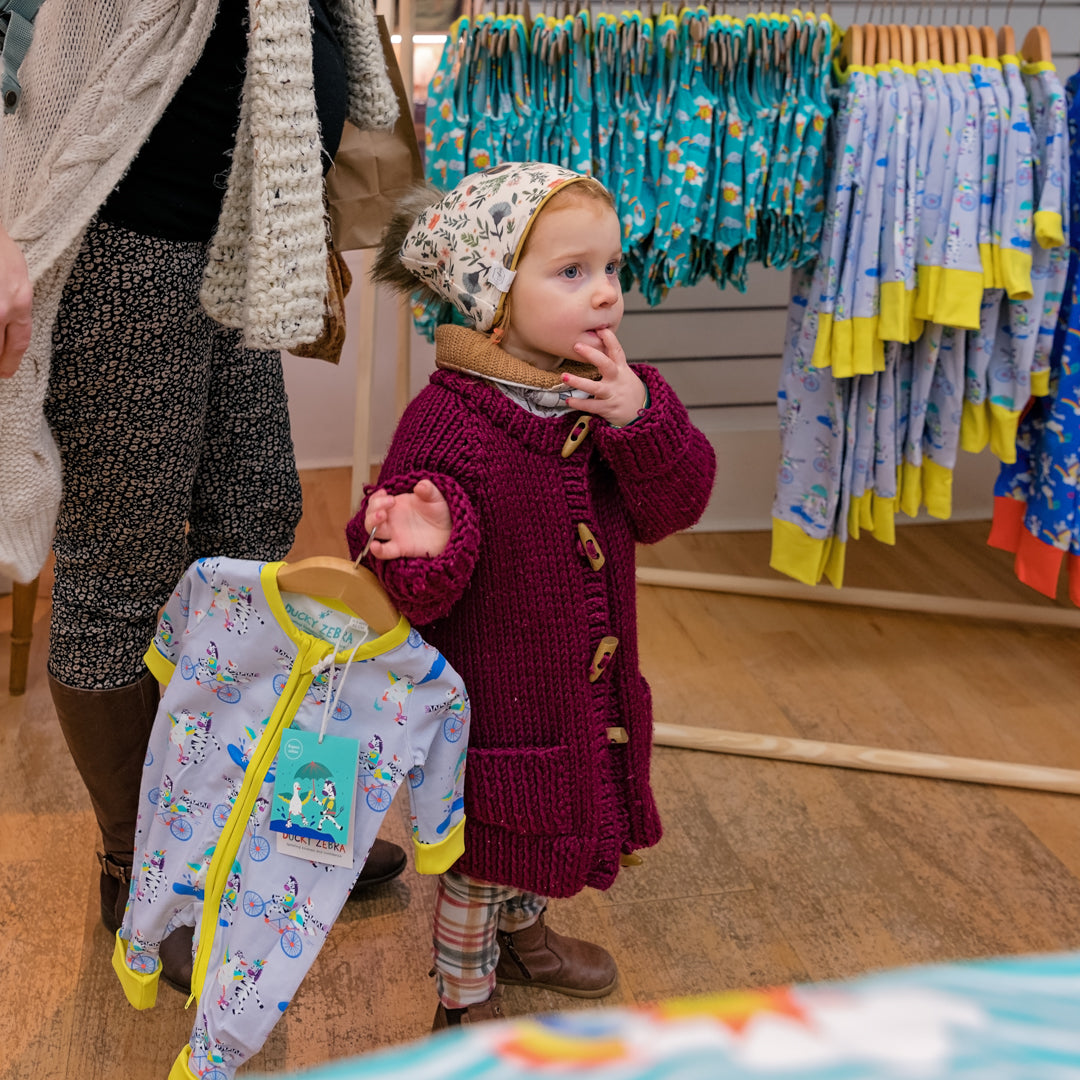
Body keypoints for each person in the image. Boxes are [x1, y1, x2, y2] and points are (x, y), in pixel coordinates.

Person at [0, 0, 408, 996]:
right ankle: (144, 875)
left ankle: (245, 830)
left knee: (254, 522)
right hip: (120, 245)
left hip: (232, 247)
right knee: (118, 574)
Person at [346, 161, 718, 1026]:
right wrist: (424, 538)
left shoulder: (598, 402)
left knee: (550, 828)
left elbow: (675, 504)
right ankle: (463, 1003)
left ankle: (528, 936)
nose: (606, 294)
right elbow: (400, 579)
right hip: (495, 711)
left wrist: (643, 418)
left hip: (576, 694)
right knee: (488, 859)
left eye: (612, 269)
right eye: (572, 272)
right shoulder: (449, 421)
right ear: (493, 296)